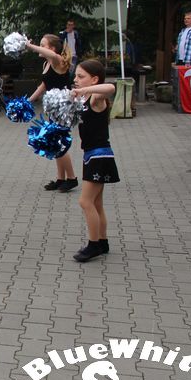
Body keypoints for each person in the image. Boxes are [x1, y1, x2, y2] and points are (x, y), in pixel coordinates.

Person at [70, 59, 118, 262]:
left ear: (95, 79)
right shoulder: (84, 99)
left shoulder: (96, 99)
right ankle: (103, 241)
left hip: (100, 156)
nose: (76, 80)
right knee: (97, 203)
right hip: (91, 155)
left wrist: (84, 91)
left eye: (81, 76)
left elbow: (111, 88)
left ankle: (93, 245)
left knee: (85, 201)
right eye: (76, 76)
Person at [27, 34, 78, 193]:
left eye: (43, 45)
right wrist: (29, 101)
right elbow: (44, 85)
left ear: (52, 48)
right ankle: (60, 179)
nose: (40, 47)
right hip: (53, 107)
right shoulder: (47, 64)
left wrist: (29, 46)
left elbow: (53, 56)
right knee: (54, 142)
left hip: (63, 108)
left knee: (59, 142)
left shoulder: (58, 61)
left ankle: (72, 178)